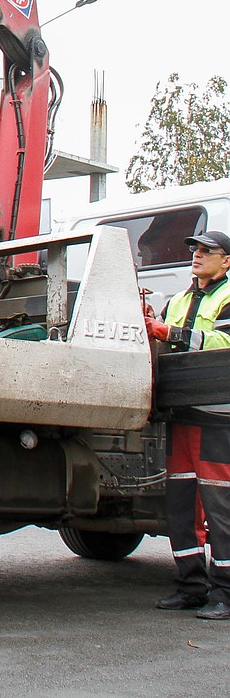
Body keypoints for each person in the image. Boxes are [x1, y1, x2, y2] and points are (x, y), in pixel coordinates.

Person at [145, 230, 230, 619]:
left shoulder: (228, 297)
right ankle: (192, 586)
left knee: (220, 508)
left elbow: (221, 344)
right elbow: (160, 342)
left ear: (226, 260)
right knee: (181, 506)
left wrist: (171, 332)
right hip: (181, 415)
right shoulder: (178, 299)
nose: (197, 255)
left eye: (207, 251)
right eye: (194, 249)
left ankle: (225, 595)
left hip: (217, 417)